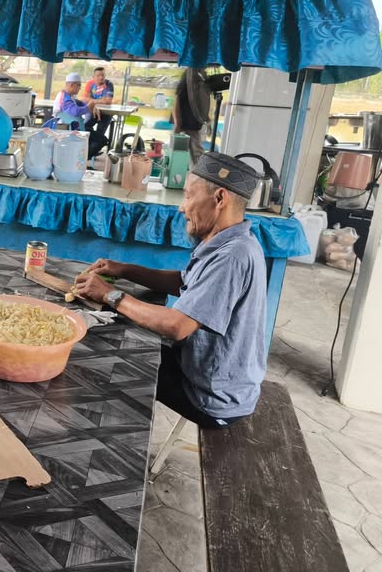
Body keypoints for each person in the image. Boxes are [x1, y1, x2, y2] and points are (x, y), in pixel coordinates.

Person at [74, 152, 266, 428]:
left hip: (212, 397)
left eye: (189, 196)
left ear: (220, 198)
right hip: (204, 372)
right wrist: (125, 269)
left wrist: (110, 294)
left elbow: (178, 326)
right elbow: (184, 282)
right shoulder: (230, 241)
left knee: (103, 359)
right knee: (122, 337)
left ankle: (104, 441)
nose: (181, 207)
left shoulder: (232, 256)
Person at [52, 72, 108, 157]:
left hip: (75, 127)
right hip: (70, 130)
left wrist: (91, 106)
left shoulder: (67, 95)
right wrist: (89, 107)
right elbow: (75, 111)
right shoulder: (65, 99)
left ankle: (81, 155)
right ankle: (80, 158)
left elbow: (79, 102)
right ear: (72, 85)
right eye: (78, 85)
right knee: (101, 140)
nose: (80, 88)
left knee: (94, 135)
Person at [173, 67, 209, 165]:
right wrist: (178, 123)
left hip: (192, 123)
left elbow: (202, 103)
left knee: (194, 153)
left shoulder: (198, 78)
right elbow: (178, 98)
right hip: (187, 124)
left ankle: (196, 174)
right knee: (195, 152)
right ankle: (199, 174)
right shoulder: (190, 78)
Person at [82, 66, 115, 137]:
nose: (101, 77)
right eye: (98, 75)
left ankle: (98, 141)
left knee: (100, 131)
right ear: (93, 77)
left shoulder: (109, 84)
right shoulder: (89, 83)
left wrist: (92, 101)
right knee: (84, 127)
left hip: (105, 112)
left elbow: (108, 101)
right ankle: (92, 141)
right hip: (91, 110)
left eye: (102, 75)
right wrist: (98, 101)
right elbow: (84, 98)